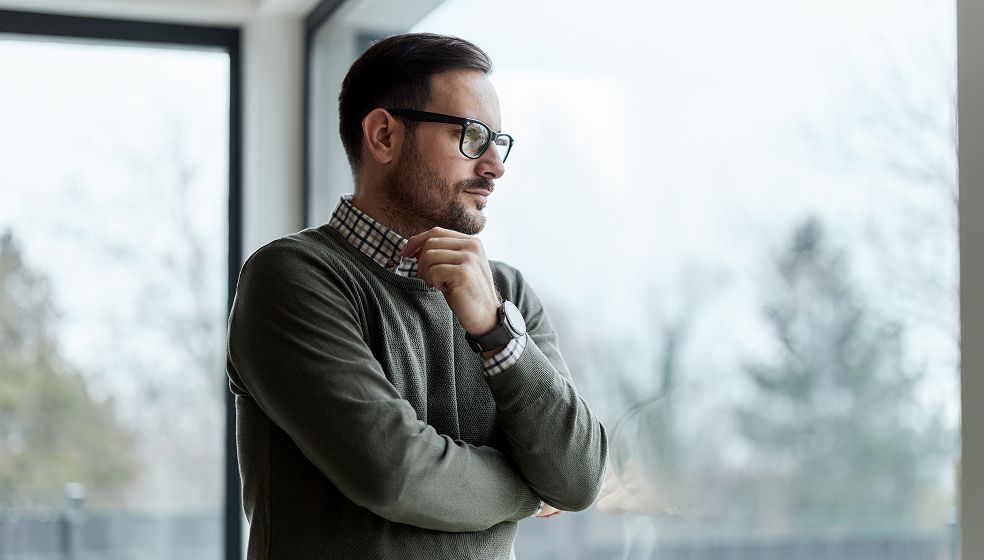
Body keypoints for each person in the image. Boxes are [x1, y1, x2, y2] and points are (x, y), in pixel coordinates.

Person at [226, 32, 608, 560]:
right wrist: (534, 490)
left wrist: (495, 331)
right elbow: (396, 474)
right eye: (470, 136)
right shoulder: (291, 277)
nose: (494, 166)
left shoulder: (508, 294)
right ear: (383, 136)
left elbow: (580, 478)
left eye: (498, 142)